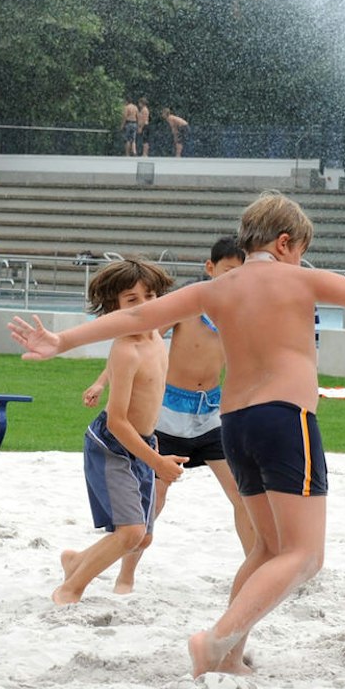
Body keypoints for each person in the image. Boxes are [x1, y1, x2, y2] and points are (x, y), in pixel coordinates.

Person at [10, 191, 345, 679]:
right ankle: (215, 641)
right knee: (305, 555)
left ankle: (229, 656)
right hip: (284, 417)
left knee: (268, 550)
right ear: (287, 243)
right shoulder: (298, 281)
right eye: (302, 252)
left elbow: (139, 316)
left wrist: (62, 341)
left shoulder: (216, 289)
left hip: (236, 425)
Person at [82, 238, 256, 595]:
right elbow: (140, 341)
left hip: (210, 414)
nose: (234, 281)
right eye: (227, 273)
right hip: (169, 414)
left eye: (242, 274)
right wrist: (101, 382)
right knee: (153, 502)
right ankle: (125, 575)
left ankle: (254, 569)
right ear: (210, 270)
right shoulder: (188, 306)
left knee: (240, 493)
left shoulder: (243, 312)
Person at [51, 259, 182, 604]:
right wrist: (157, 462)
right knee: (131, 532)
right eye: (131, 300)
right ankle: (70, 589)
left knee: (143, 537)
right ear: (114, 310)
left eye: (150, 296)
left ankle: (77, 562)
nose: (144, 307)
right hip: (112, 444)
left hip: (142, 442)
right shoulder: (126, 350)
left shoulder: (156, 334)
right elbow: (117, 422)